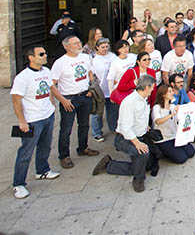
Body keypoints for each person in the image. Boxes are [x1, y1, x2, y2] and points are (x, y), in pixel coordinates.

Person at [92, 75, 157, 192]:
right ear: (147, 87)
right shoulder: (129, 102)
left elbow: (140, 117)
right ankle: (138, 180)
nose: (153, 90)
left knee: (147, 165)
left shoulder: (143, 99)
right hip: (124, 139)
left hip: (140, 135)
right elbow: (126, 128)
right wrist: (137, 144)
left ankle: (109, 165)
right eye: (152, 87)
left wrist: (145, 126)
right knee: (143, 154)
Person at [11, 45, 60, 199]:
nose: (45, 56)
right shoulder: (22, 77)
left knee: (45, 145)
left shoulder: (46, 71)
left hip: (47, 115)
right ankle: (18, 184)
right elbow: (16, 100)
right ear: (31, 58)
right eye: (41, 54)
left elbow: (51, 87)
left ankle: (42, 170)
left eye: (45, 53)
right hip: (32, 120)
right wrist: (22, 121)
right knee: (26, 152)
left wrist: (53, 103)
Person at [50, 36, 99, 169]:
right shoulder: (60, 63)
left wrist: (90, 87)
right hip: (69, 99)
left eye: (79, 42)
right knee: (66, 129)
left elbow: (90, 72)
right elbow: (52, 84)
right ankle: (64, 156)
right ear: (66, 46)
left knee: (84, 125)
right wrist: (62, 100)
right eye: (75, 43)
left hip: (84, 96)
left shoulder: (85, 57)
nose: (79, 45)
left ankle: (83, 148)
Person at [151, 85, 195, 163]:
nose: (172, 93)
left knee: (191, 152)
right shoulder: (157, 108)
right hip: (164, 139)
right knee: (181, 159)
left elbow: (181, 119)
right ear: (163, 94)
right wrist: (171, 115)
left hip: (175, 135)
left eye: (172, 91)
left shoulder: (173, 106)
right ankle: (164, 152)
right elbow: (158, 121)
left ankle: (173, 150)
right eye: (170, 91)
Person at [91, 38, 116, 141]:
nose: (105, 49)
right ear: (97, 47)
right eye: (102, 47)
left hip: (111, 89)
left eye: (107, 46)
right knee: (98, 113)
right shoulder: (94, 59)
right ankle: (97, 132)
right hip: (99, 90)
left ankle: (113, 128)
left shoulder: (113, 56)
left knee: (113, 111)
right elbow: (91, 75)